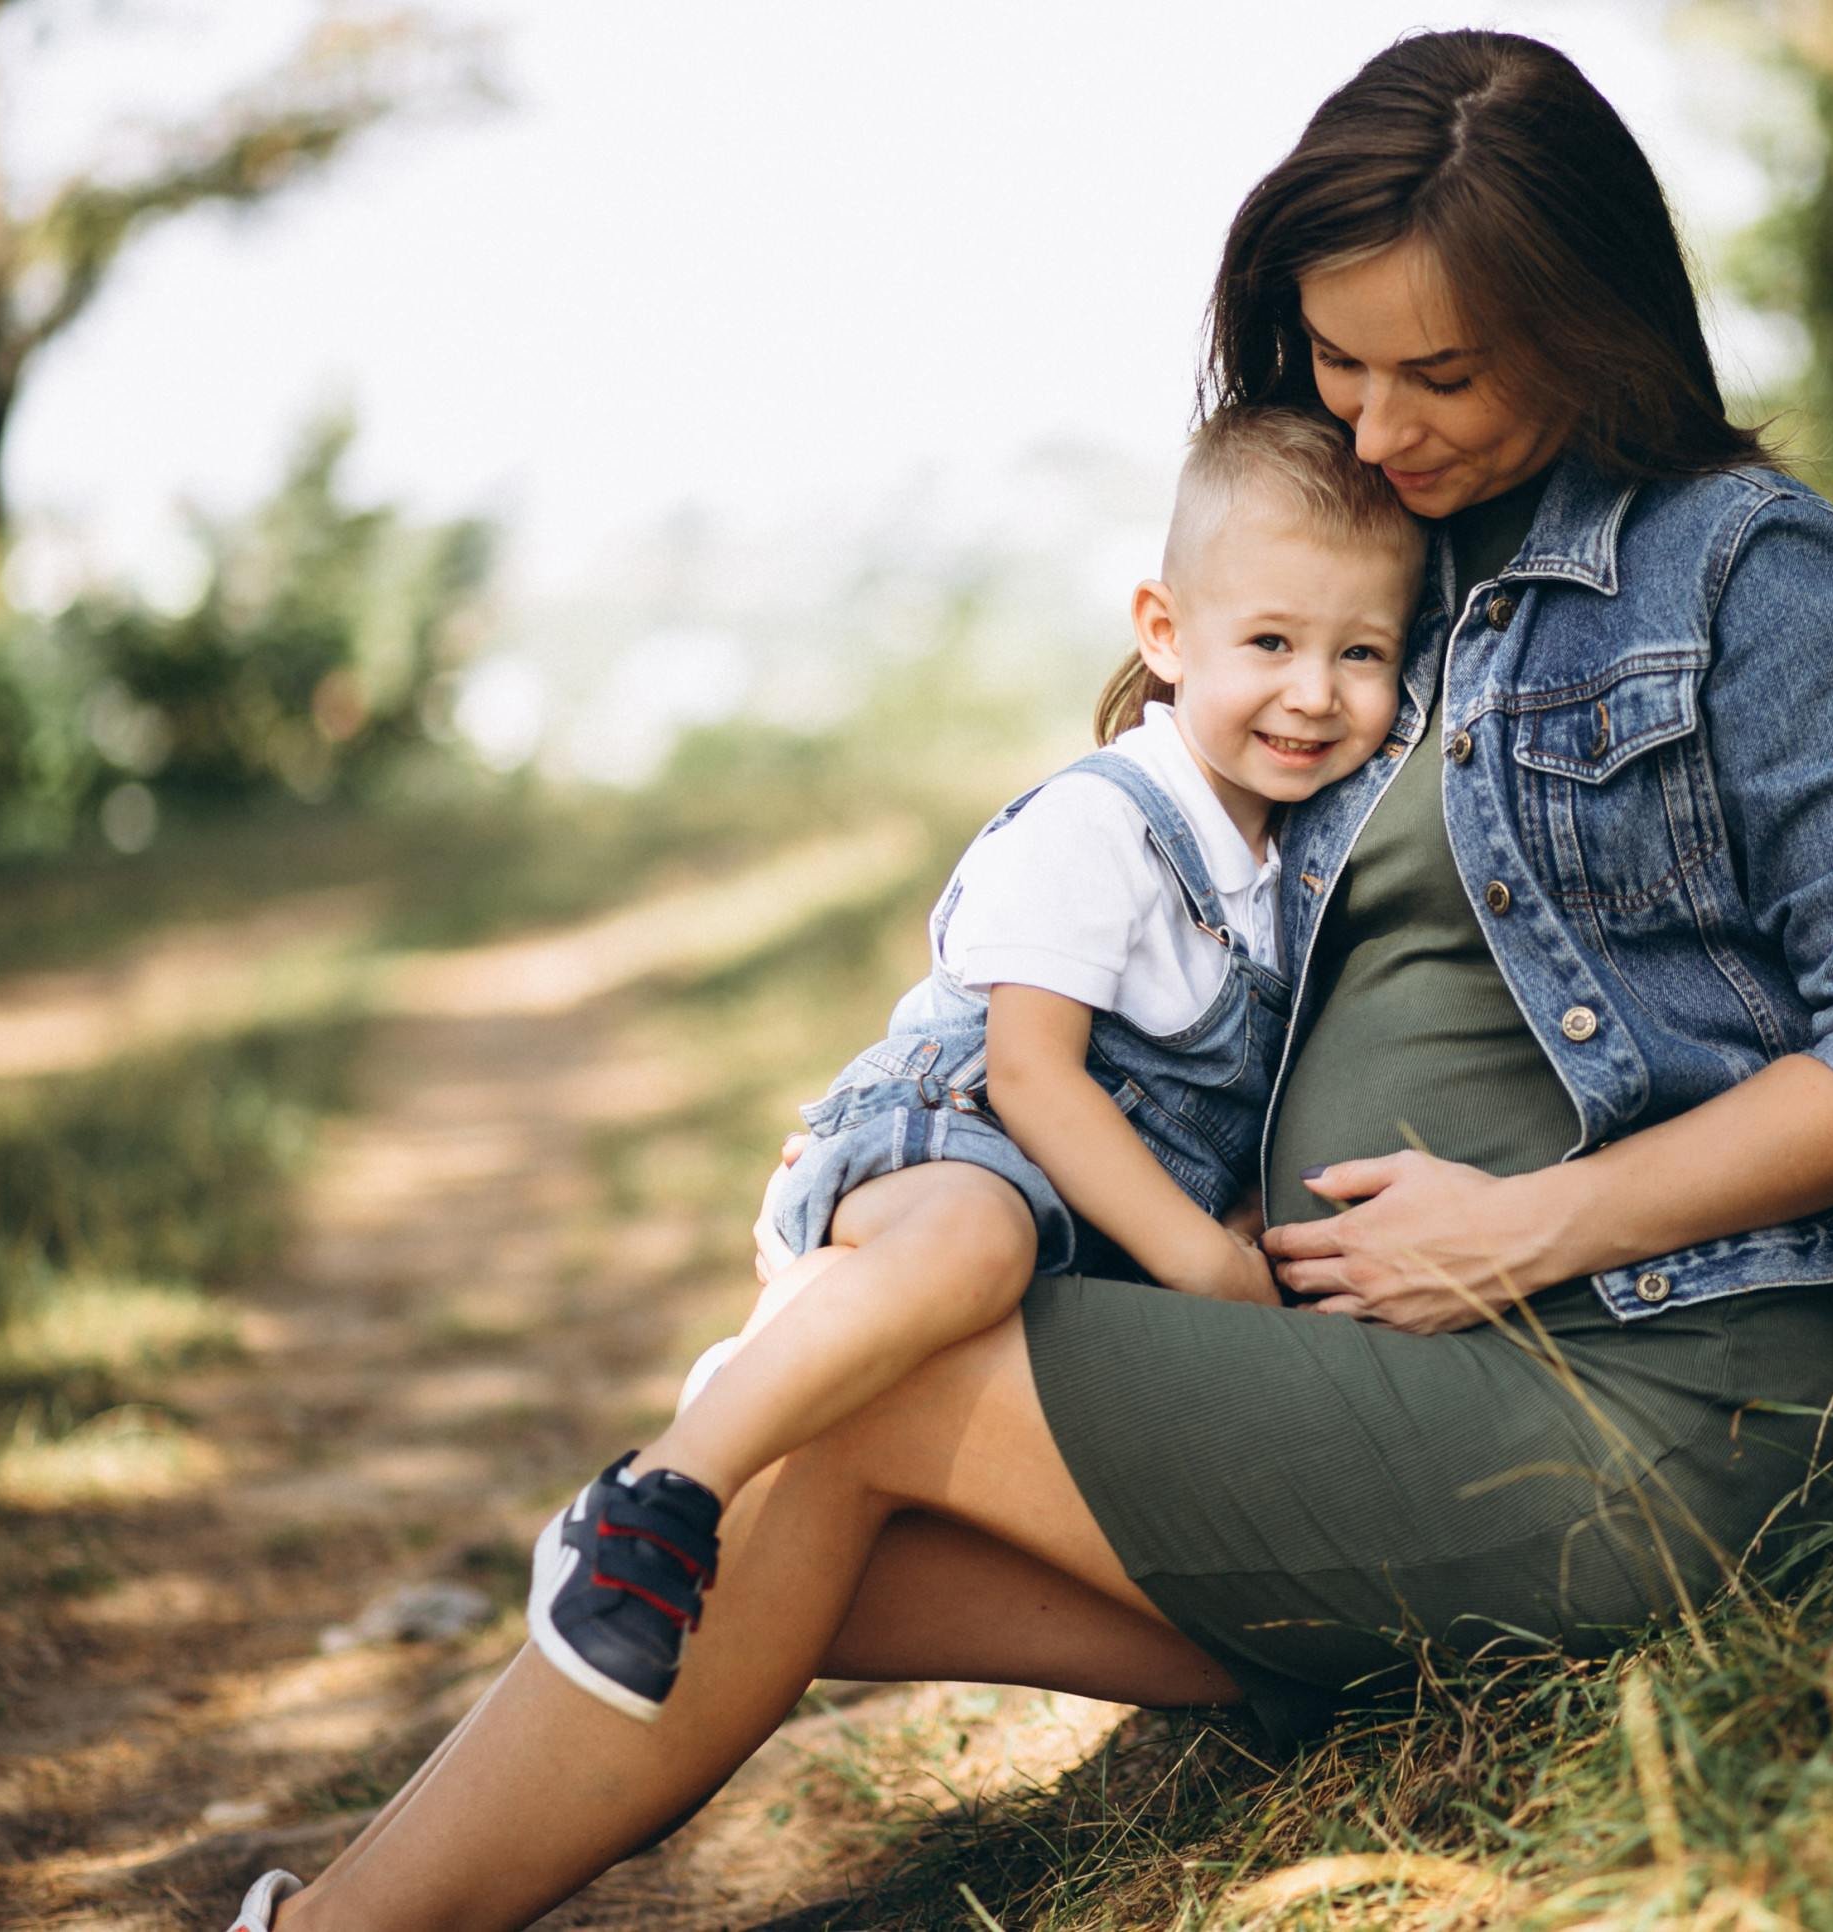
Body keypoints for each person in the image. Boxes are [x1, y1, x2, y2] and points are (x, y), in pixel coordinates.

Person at [231, 28, 1833, 1931]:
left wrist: (1528, 1227)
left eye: (1445, 372)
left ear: (1592, 326)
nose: (1381, 424)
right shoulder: (1369, 578)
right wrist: (920, 1142)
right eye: (1338, 360)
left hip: (1622, 1405)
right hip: (1363, 1380)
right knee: (783, 1519)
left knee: (836, 1409)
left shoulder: (1756, 584)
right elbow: (1166, 969)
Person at [523, 404, 1419, 1724]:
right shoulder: (1105, 823)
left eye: (1363, 653)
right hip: (951, 1136)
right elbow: (1031, 1075)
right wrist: (1193, 1257)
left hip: (1072, 1213)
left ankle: (792, 1394)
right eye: (1272, 642)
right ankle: (662, 1495)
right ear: (1164, 633)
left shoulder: (1301, 861)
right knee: (977, 1247)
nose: (1314, 691)